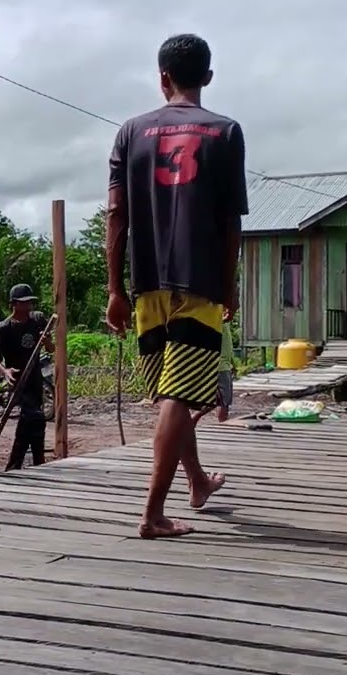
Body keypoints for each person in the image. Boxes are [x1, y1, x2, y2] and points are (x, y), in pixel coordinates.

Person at [104, 33, 246, 540]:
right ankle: (153, 515)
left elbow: (116, 214)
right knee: (179, 396)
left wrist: (115, 289)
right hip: (199, 283)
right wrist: (229, 286)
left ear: (162, 77)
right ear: (207, 76)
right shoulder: (225, 132)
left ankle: (198, 482)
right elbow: (231, 221)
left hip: (146, 285)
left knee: (175, 392)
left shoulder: (130, 132)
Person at [0, 283, 54, 471]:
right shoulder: (5, 328)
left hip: (35, 378)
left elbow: (51, 349)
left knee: (34, 420)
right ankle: (26, 463)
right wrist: (4, 371)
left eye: (30, 302)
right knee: (33, 416)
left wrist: (47, 341)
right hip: (18, 380)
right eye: (24, 303)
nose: (28, 306)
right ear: (14, 304)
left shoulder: (37, 320)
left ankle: (26, 463)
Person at [194, 310, 235, 425]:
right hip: (220, 366)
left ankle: (200, 417)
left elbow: (228, 346)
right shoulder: (215, 321)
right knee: (223, 400)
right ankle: (222, 422)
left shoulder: (223, 322)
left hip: (224, 365)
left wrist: (232, 364)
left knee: (220, 398)